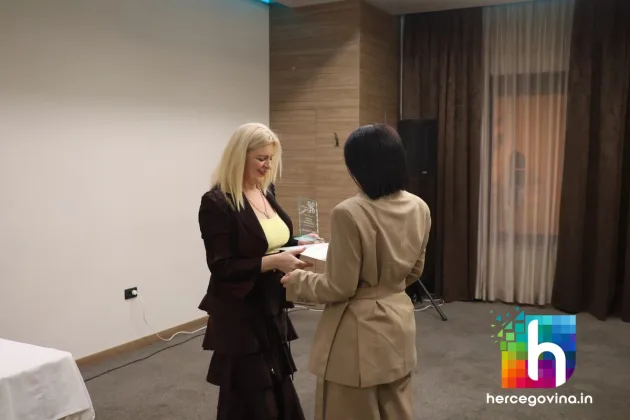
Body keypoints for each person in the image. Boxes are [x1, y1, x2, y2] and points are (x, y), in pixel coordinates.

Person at [281, 124, 431, 420]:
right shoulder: (419, 206)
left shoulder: (349, 212)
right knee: (397, 408)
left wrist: (297, 280)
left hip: (356, 335)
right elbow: (415, 270)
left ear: (358, 168)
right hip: (399, 320)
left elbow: (340, 286)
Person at [197, 122, 320, 420]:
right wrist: (276, 262)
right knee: (251, 392)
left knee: (275, 384)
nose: (268, 165)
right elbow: (222, 266)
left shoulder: (266, 190)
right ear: (240, 156)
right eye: (261, 158)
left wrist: (298, 243)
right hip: (240, 310)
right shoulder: (216, 203)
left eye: (271, 158)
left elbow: (265, 242)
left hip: (270, 304)